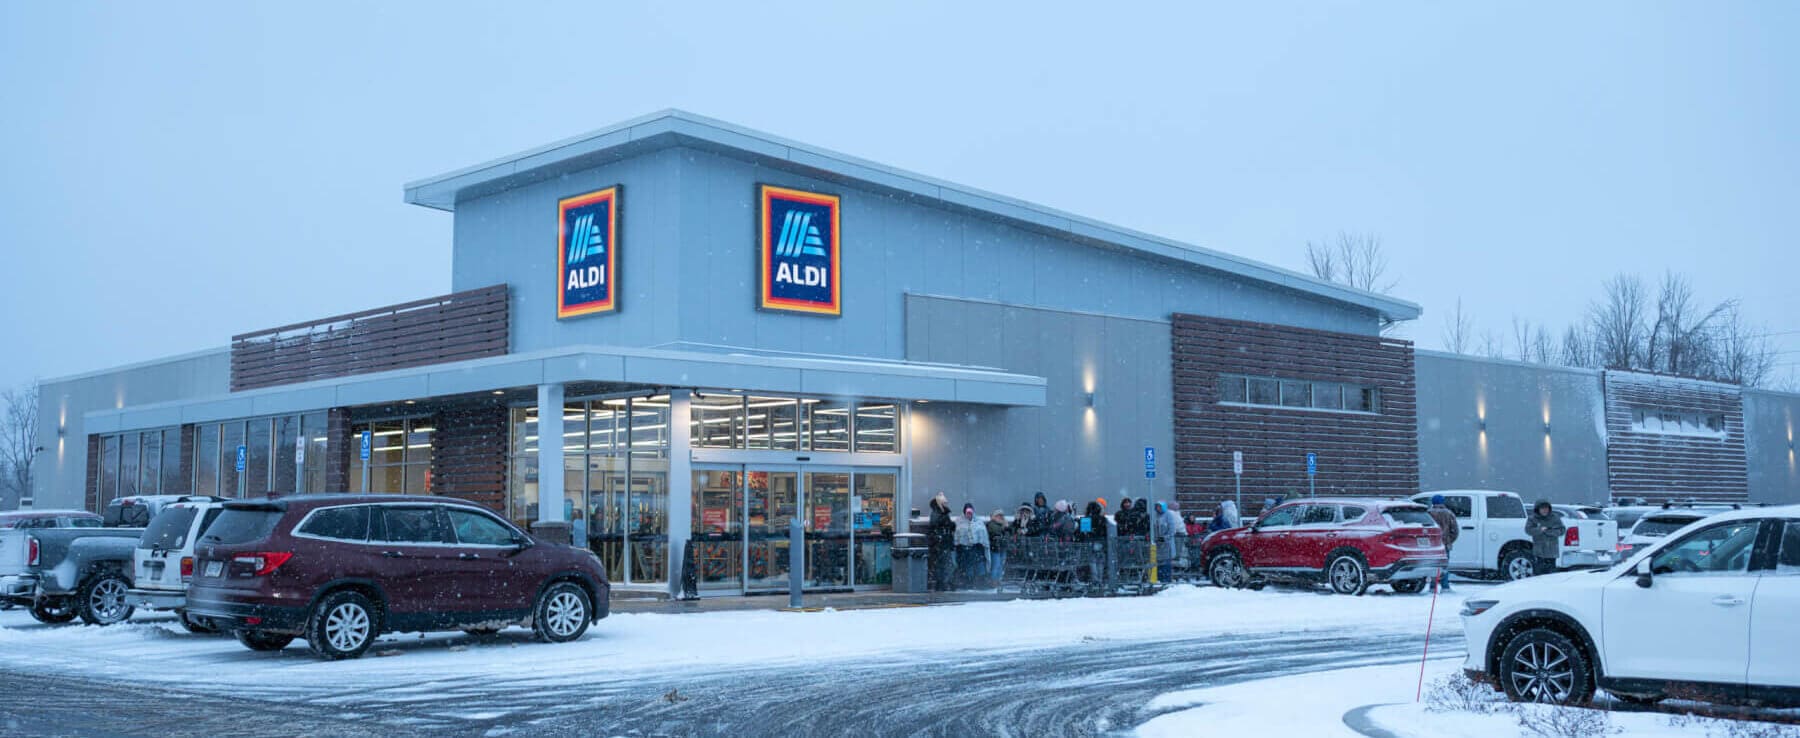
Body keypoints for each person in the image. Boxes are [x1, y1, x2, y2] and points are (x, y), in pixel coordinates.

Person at [1427, 494, 1459, 592]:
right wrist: (1449, 540)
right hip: (1444, 544)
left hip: (1431, 545)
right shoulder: (1448, 513)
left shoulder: (1428, 513)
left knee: (1433, 565)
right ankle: (1445, 587)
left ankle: (1433, 587)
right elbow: (1455, 530)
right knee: (1444, 566)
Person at [1525, 499, 1565, 577]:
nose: (1545, 510)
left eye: (1546, 508)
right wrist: (1539, 530)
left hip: (1552, 552)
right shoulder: (1532, 518)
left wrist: (1549, 531)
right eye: (1542, 508)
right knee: (1539, 576)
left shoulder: (1555, 518)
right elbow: (1528, 530)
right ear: (1538, 509)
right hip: (1539, 552)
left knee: (1551, 576)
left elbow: (1562, 530)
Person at [954, 503, 990, 589]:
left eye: (971, 512)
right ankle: (968, 582)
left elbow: (982, 532)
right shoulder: (959, 521)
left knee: (980, 564)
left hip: (977, 547)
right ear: (964, 512)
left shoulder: (978, 521)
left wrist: (980, 542)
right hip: (964, 548)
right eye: (967, 512)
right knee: (967, 565)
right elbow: (957, 534)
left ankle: (981, 582)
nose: (969, 514)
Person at [926, 493, 956, 591]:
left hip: (942, 542)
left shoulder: (940, 513)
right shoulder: (937, 513)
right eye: (944, 503)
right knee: (944, 564)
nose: (946, 504)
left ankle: (943, 583)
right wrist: (948, 525)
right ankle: (943, 583)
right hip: (941, 543)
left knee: (944, 564)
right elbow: (935, 525)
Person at [1152, 501, 1186, 582]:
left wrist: (1165, 537)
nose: (1158, 509)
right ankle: (1160, 578)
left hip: (1167, 544)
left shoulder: (1168, 515)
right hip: (1159, 544)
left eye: (1160, 507)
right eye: (1157, 507)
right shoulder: (1156, 516)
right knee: (1159, 562)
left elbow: (1172, 529)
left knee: (1166, 562)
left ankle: (1166, 579)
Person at [985, 510, 1010, 588]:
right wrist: (1004, 528)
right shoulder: (991, 524)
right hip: (995, 548)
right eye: (998, 515)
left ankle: (998, 580)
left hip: (1002, 547)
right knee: (996, 565)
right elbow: (996, 532)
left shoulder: (1003, 525)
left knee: (1001, 565)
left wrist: (1006, 528)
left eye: (1001, 516)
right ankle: (993, 581)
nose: (1000, 517)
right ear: (994, 516)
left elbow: (1008, 533)